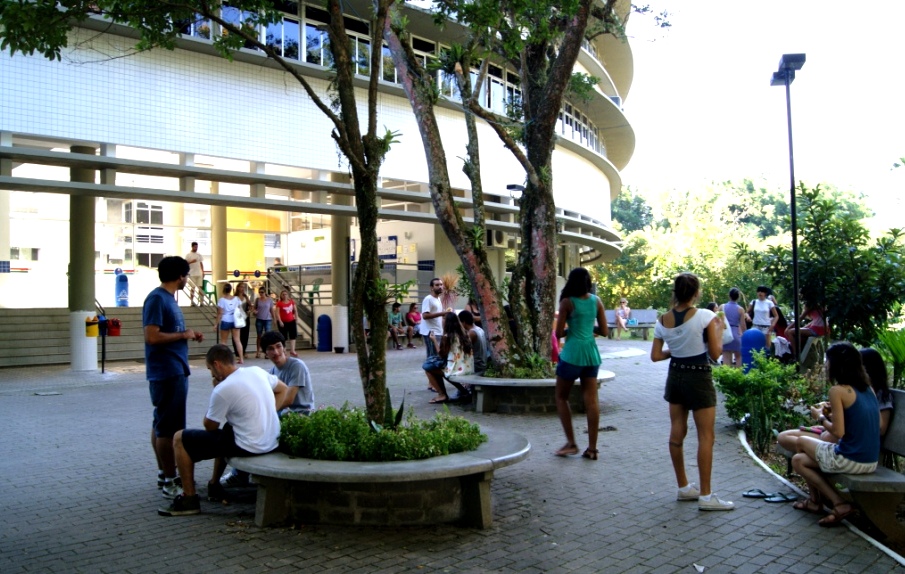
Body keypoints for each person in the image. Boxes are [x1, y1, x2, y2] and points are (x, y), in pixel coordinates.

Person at [158, 345, 288, 516]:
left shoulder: (223, 389)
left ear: (217, 364)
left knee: (179, 438)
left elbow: (210, 426)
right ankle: (214, 485)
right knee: (228, 429)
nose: (211, 374)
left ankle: (189, 499)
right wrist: (268, 411)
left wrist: (216, 390)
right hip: (271, 442)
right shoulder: (256, 371)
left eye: (210, 369)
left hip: (250, 446)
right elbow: (283, 389)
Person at [651, 272, 734, 511]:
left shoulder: (662, 320)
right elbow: (716, 354)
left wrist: (676, 349)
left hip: (675, 375)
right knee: (706, 436)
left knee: (677, 432)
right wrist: (718, 331)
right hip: (698, 376)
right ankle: (706, 496)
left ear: (675, 292)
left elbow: (655, 356)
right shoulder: (706, 316)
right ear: (696, 293)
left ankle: (684, 487)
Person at [787, 342, 879, 527]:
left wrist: (820, 417)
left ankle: (831, 502)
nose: (826, 365)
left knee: (801, 441)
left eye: (828, 361)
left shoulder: (837, 391)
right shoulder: (868, 389)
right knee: (798, 460)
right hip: (870, 460)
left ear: (837, 365)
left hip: (850, 459)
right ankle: (822, 502)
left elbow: (839, 432)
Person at [143, 256, 206, 500]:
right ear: (180, 276)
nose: (187, 279)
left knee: (161, 424)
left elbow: (169, 332)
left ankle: (164, 473)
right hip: (167, 371)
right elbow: (152, 336)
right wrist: (182, 336)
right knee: (168, 429)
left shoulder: (167, 299)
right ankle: (170, 481)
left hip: (174, 369)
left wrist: (188, 334)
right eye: (186, 275)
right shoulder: (157, 299)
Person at [222, 331, 317, 488]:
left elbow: (288, 399)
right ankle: (240, 472)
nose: (276, 352)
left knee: (255, 430)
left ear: (284, 348)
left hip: (300, 415)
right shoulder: (272, 372)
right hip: (282, 414)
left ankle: (239, 474)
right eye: (271, 349)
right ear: (265, 353)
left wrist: (265, 416)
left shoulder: (297, 366)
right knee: (245, 427)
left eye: (278, 347)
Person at [777, 347, 893, 448]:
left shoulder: (878, 394)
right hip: (839, 436)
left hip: (852, 442)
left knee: (792, 442)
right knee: (784, 437)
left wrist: (823, 418)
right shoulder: (853, 390)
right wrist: (831, 411)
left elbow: (880, 429)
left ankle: (813, 454)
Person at [553, 267, 608, 461]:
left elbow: (558, 333)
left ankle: (571, 443)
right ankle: (592, 449)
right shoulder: (596, 301)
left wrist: (571, 329)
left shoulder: (567, 302)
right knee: (591, 401)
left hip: (572, 355)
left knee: (561, 397)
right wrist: (588, 327)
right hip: (591, 355)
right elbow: (604, 331)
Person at [423, 311, 473, 404]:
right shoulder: (465, 334)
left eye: (443, 319)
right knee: (436, 367)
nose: (441, 321)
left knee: (428, 368)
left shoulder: (447, 337)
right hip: (467, 367)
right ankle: (463, 391)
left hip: (455, 369)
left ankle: (442, 394)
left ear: (447, 322)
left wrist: (434, 341)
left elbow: (441, 354)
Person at [216, 283, 244, 364]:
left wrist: (216, 323)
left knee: (224, 342)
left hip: (225, 320)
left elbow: (220, 313)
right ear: (231, 290)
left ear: (223, 290)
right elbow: (239, 309)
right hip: (235, 320)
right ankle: (241, 358)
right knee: (237, 340)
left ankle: (224, 359)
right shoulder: (236, 298)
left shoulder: (222, 300)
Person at [721, 288, 746, 368]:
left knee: (726, 356)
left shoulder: (723, 307)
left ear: (729, 296)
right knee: (738, 356)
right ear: (738, 297)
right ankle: (738, 373)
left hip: (726, 334)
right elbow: (743, 325)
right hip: (736, 333)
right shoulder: (740, 309)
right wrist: (744, 335)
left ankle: (726, 374)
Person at [420, 278, 445, 357]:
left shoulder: (438, 299)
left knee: (436, 356)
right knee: (433, 357)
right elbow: (425, 315)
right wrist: (442, 313)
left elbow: (438, 315)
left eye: (441, 285)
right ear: (431, 287)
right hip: (431, 332)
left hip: (438, 331)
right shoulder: (428, 299)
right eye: (437, 285)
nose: (440, 287)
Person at [459, 309, 488, 375]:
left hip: (476, 366)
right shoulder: (479, 329)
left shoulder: (471, 333)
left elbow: (462, 349)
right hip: (482, 363)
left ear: (463, 322)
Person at [274, 289, 298, 357]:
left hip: (291, 321)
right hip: (283, 322)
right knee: (283, 337)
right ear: (281, 296)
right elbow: (277, 313)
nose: (284, 296)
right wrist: (280, 321)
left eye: (286, 294)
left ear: (288, 295)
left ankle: (292, 350)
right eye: (283, 294)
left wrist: (296, 318)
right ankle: (284, 350)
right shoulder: (279, 303)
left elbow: (295, 310)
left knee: (293, 335)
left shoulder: (291, 302)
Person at [253, 286, 274, 358]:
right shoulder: (257, 300)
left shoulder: (269, 300)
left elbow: (271, 309)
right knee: (259, 336)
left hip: (268, 319)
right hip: (259, 319)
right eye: (259, 292)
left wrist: (274, 318)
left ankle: (267, 352)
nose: (261, 294)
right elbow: (254, 308)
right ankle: (258, 351)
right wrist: (254, 311)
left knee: (267, 336)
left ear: (265, 292)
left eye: (262, 292)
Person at [233, 282, 251, 360]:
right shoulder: (234, 297)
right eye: (241, 287)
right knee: (237, 336)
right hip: (237, 318)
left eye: (243, 287)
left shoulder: (245, 297)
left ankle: (243, 351)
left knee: (245, 335)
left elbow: (250, 306)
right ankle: (237, 353)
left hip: (245, 318)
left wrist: (249, 311)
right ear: (238, 288)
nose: (242, 289)